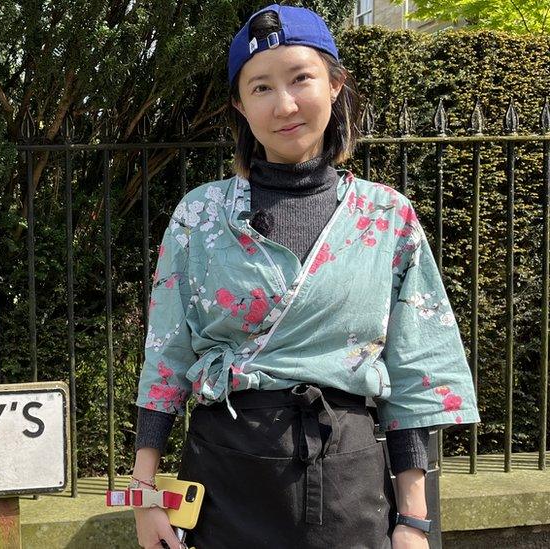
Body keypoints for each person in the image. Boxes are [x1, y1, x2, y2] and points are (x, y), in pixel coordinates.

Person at [131, 4, 479, 549]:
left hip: (349, 480)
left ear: (336, 85)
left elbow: (415, 373)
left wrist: (414, 521)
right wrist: (145, 495)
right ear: (240, 107)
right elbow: (165, 359)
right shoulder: (199, 216)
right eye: (261, 88)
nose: (285, 104)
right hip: (225, 477)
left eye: (301, 79)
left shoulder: (386, 217)